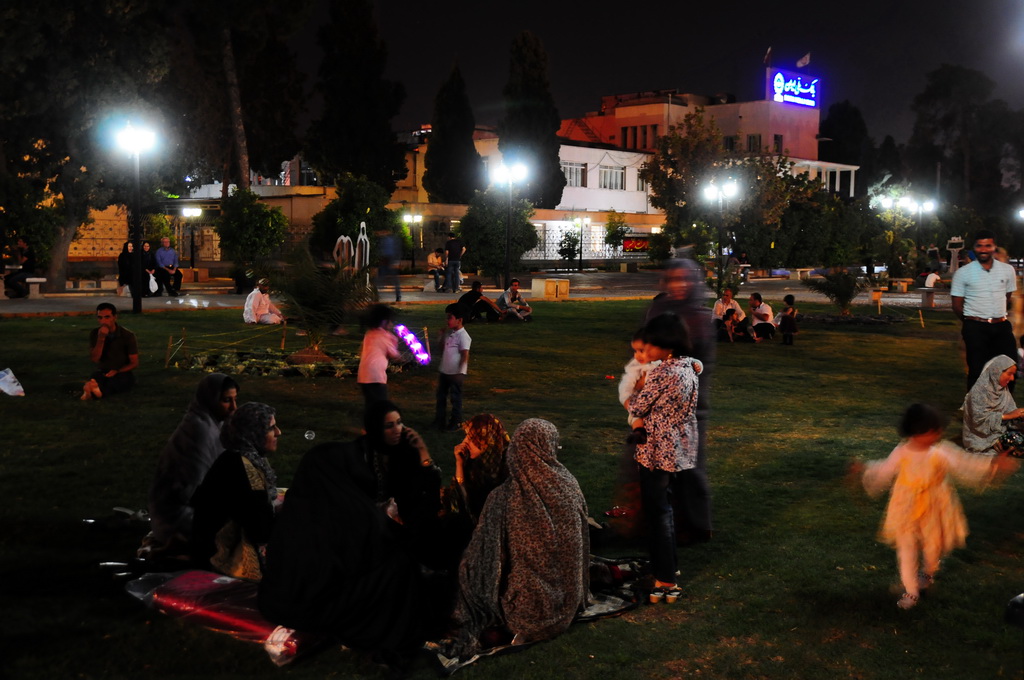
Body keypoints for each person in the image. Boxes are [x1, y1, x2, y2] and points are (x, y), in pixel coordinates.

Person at [258, 439, 427, 672]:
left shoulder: (299, 504)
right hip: (317, 610)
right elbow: (396, 543)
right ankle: (388, 636)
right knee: (398, 565)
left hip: (280, 603)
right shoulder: (351, 508)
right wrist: (387, 518)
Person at [448, 419, 589, 657]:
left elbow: (483, 558)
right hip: (568, 603)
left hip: (526, 615)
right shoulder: (569, 483)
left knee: (463, 568)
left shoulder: (505, 496)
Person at [859, 403, 1014, 609]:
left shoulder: (940, 452)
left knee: (933, 547)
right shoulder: (902, 452)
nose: (939, 433)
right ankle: (911, 591)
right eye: (934, 430)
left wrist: (993, 465)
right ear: (917, 433)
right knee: (907, 549)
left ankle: (927, 575)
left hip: (935, 507)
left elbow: (966, 464)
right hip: (906, 508)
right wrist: (866, 470)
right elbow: (884, 469)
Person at [629, 313, 701, 602]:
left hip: (656, 450)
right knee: (666, 508)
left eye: (652, 345)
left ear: (667, 345)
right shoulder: (688, 367)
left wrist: (638, 388)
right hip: (678, 448)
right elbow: (698, 365)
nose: (647, 351)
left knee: (657, 512)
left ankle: (665, 580)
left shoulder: (662, 373)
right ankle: (668, 566)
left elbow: (639, 406)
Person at [644, 259, 714, 545]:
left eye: (685, 279)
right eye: (674, 279)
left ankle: (696, 525)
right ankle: (659, 523)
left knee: (688, 466)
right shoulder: (659, 309)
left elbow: (701, 363)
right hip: (657, 399)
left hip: (689, 402)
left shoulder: (700, 318)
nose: (680, 285)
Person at [144, 374, 240, 557]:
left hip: (195, 506)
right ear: (210, 399)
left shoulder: (212, 423)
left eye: (235, 400)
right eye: (227, 401)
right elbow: (194, 492)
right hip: (177, 518)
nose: (234, 407)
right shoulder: (199, 432)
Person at [190, 402, 281, 581]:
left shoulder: (244, 458)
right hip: (218, 552)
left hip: (210, 541)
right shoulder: (241, 468)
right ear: (253, 434)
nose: (278, 432)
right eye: (271, 428)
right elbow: (261, 530)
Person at [950, 229, 1018, 390]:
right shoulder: (963, 273)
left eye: (988, 245)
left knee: (1009, 367)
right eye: (980, 246)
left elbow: (1007, 296)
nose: (983, 249)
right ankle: (976, 412)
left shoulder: (1007, 270)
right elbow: (957, 304)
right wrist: (972, 321)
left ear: (994, 246)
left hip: (1001, 325)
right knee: (977, 370)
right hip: (975, 326)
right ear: (974, 247)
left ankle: (1003, 410)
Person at [442, 414, 510, 531]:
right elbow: (460, 498)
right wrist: (459, 464)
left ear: (487, 441)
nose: (464, 442)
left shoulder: (508, 471)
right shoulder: (471, 463)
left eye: (472, 439)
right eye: (466, 436)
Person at [962, 355, 1024, 456]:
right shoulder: (979, 393)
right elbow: (978, 422)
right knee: (1019, 442)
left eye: (1013, 374)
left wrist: (1020, 414)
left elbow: (1011, 411)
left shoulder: (1002, 390)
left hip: (1001, 430)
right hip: (982, 437)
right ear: (997, 372)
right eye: (1009, 374)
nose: (1012, 378)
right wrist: (1009, 416)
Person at [81, 303, 138, 401]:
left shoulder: (127, 335)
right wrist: (101, 339)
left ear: (115, 317)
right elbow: (95, 358)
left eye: (107, 317)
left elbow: (134, 362)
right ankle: (93, 391)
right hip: (103, 371)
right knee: (97, 378)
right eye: (100, 318)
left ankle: (93, 393)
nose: (103, 321)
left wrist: (117, 370)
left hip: (121, 372)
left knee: (115, 383)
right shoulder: (95, 333)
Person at [433, 303, 471, 431]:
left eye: (450, 317)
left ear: (459, 320)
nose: (447, 320)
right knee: (441, 396)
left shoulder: (463, 336)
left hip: (455, 374)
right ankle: (440, 420)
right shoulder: (450, 334)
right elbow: (441, 349)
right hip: (445, 371)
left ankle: (456, 421)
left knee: (455, 398)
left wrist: (460, 372)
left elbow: (465, 354)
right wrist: (441, 337)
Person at [356, 304, 402, 406]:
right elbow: (394, 355)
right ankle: (379, 421)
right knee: (381, 404)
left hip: (363, 376)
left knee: (370, 403)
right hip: (376, 376)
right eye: (390, 321)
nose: (391, 324)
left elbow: (361, 351)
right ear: (384, 321)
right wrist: (401, 356)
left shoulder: (369, 334)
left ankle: (370, 420)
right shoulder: (385, 336)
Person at [375, 227, 402, 302]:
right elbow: (381, 250)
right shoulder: (383, 240)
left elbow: (397, 251)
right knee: (380, 278)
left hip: (391, 260)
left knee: (394, 280)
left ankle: (398, 296)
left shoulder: (393, 240)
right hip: (385, 260)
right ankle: (376, 294)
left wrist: (395, 262)